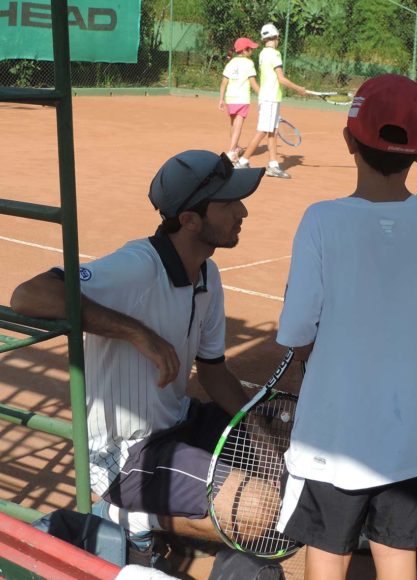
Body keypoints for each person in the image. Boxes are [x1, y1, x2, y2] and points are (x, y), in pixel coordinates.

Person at [10, 150, 271, 562]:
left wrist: (258, 428)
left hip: (177, 421)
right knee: (257, 511)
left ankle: (175, 509)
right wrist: (136, 332)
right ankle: (126, 517)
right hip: (125, 454)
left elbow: (214, 373)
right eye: (229, 203)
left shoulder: (208, 273)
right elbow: (28, 296)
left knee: (285, 452)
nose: (243, 212)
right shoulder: (136, 267)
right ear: (190, 220)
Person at [275, 74, 417, 580]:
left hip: (330, 437)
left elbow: (295, 331)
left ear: (348, 140)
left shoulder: (321, 220)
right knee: (397, 556)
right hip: (406, 443)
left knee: (327, 554)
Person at [237, 23, 307, 179]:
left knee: (273, 131)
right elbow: (281, 78)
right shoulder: (275, 54)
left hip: (270, 98)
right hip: (270, 98)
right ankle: (242, 161)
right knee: (263, 130)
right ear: (277, 37)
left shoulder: (263, 53)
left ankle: (273, 165)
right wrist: (298, 89)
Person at [218, 37, 260, 164]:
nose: (252, 51)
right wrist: (262, 95)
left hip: (230, 98)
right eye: (251, 48)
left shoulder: (231, 63)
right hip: (242, 99)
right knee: (238, 125)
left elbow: (223, 83)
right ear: (245, 50)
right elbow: (253, 83)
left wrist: (221, 99)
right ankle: (231, 151)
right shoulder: (249, 63)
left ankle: (235, 147)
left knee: (233, 124)